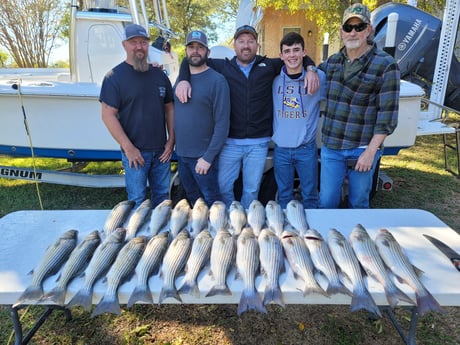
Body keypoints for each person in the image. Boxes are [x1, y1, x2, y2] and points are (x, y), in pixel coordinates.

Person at [176, 25, 319, 209]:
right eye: (241, 41)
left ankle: (247, 227)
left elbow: (298, 56)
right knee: (224, 188)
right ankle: (228, 224)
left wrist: (311, 69)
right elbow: (191, 59)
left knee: (251, 190)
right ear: (234, 45)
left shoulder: (269, 65)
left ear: (257, 45)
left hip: (258, 144)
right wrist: (184, 79)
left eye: (250, 41)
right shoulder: (222, 66)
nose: (246, 46)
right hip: (229, 142)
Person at [318, 3, 400, 209]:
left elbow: (387, 117)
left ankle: (357, 241)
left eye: (359, 27)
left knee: (359, 203)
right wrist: (310, 68)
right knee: (326, 201)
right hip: (332, 146)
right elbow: (311, 67)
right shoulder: (332, 62)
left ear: (369, 30)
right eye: (348, 28)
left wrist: (371, 152)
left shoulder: (386, 64)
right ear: (341, 32)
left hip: (362, 148)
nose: (353, 32)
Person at [100, 24, 175, 208]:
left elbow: (170, 109)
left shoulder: (159, 75)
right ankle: (137, 237)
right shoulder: (114, 77)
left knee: (163, 199)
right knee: (137, 200)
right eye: (133, 42)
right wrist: (128, 148)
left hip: (161, 152)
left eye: (143, 42)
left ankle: (160, 236)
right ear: (124, 45)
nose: (139, 46)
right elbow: (107, 115)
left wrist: (171, 140)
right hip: (135, 153)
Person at [174, 30, 230, 206]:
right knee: (193, 200)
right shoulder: (181, 79)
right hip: (182, 156)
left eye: (200, 47)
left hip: (203, 158)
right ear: (186, 50)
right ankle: (201, 233)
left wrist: (208, 157)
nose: (195, 51)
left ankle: (218, 234)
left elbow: (222, 124)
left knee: (213, 201)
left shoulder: (217, 81)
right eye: (191, 47)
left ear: (208, 52)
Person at [272, 32, 326, 209]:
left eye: (296, 50)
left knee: (310, 195)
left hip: (306, 149)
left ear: (304, 52)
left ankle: (311, 235)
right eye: (287, 51)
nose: (292, 55)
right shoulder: (273, 80)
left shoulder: (319, 79)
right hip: (281, 150)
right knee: (284, 195)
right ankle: (286, 235)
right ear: (281, 56)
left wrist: (312, 69)